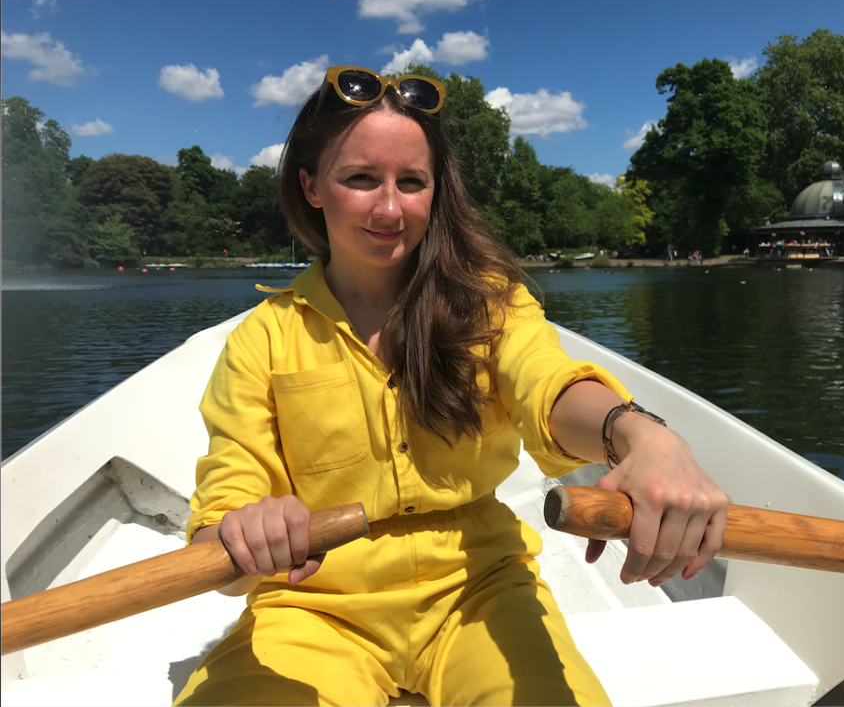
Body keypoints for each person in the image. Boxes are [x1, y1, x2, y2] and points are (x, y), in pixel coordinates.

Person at [173, 66, 727, 707]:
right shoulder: (261, 340)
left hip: (479, 586)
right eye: (360, 179)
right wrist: (245, 533)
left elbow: (544, 380)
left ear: (436, 192)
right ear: (312, 186)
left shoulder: (488, 305)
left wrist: (635, 433)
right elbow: (224, 510)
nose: (389, 208)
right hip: (311, 606)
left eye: (412, 182)